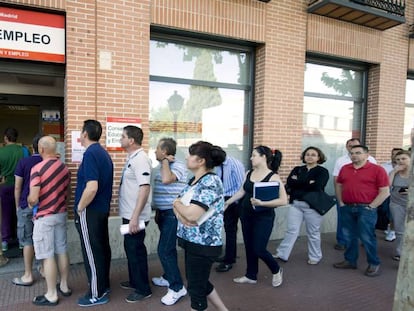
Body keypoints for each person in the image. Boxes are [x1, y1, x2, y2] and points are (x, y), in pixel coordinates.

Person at [173, 141, 228, 311]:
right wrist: (180, 210)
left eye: (190, 154)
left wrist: (179, 207)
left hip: (204, 244)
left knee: (196, 289)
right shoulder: (194, 180)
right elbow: (179, 208)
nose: (187, 157)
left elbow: (191, 214)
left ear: (201, 161)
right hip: (192, 241)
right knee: (199, 281)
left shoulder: (210, 182)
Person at [226, 146, 287, 287]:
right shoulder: (249, 173)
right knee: (249, 246)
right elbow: (241, 191)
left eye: (254, 155)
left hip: (264, 217)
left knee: (259, 248)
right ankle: (251, 275)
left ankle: (276, 269)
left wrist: (262, 203)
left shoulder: (273, 177)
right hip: (246, 215)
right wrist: (227, 203)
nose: (251, 158)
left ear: (263, 157)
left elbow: (283, 200)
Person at [27, 136, 71, 306]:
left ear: (42, 149)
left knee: (47, 256)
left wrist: (30, 201)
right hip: (60, 214)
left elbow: (34, 198)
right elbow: (67, 193)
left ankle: (51, 294)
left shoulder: (37, 168)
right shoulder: (64, 168)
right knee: (61, 250)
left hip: (45, 217)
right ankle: (65, 286)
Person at [333, 145, 389, 277]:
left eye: (358, 153)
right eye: (352, 153)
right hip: (347, 207)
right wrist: (340, 202)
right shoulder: (345, 168)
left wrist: (371, 207)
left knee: (367, 237)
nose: (354, 155)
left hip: (366, 208)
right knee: (349, 236)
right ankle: (350, 261)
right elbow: (339, 185)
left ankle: (374, 263)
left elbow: (385, 192)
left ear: (367, 154)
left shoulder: (377, 170)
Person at [74, 120, 113, 307]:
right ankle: (103, 286)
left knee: (92, 252)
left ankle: (96, 294)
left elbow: (91, 187)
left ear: (85, 134)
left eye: (81, 132)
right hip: (101, 210)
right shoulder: (103, 153)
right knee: (101, 249)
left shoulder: (90, 154)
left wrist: (80, 207)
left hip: (90, 211)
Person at [275, 146, 329, 264]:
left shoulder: (322, 171)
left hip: (313, 206)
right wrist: (307, 182)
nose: (309, 156)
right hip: (296, 204)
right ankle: (282, 254)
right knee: (291, 230)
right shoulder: (297, 169)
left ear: (319, 157)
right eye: (307, 154)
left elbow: (318, 186)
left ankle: (315, 257)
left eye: (313, 155)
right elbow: (290, 182)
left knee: (313, 232)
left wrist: (298, 182)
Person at [151, 137, 188, 305]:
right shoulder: (160, 166)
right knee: (169, 249)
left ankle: (177, 287)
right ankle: (168, 276)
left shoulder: (178, 165)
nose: (154, 151)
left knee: (164, 250)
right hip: (162, 214)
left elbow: (167, 180)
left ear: (165, 152)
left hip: (172, 215)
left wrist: (165, 161)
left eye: (157, 149)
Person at [118, 126, 152, 303]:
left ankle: (142, 289)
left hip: (135, 216)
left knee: (136, 250)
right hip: (130, 214)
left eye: (123, 137)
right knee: (131, 249)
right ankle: (134, 281)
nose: (120, 139)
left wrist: (135, 217)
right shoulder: (132, 157)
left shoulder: (141, 159)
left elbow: (144, 188)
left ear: (131, 140)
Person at [332, 138, 376, 250]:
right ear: (346, 147)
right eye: (350, 146)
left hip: (365, 199)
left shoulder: (371, 160)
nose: (352, 148)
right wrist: (339, 199)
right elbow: (337, 180)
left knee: (364, 223)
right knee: (343, 220)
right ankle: (342, 241)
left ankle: (365, 245)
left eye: (355, 146)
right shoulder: (341, 161)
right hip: (345, 197)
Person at [12, 134, 43, 286]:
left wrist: (18, 205)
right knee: (43, 239)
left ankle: (28, 274)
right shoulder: (50, 162)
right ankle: (44, 269)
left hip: (26, 205)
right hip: (44, 207)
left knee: (27, 240)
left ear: (33, 147)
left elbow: (18, 186)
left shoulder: (24, 162)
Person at [215, 155, 245, 272]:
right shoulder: (220, 165)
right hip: (225, 198)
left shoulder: (234, 164)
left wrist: (234, 201)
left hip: (235, 199)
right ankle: (229, 255)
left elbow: (242, 185)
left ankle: (229, 260)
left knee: (231, 229)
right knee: (229, 229)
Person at [0, 127, 25, 256]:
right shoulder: (24, 151)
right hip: (21, 186)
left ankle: (4, 241)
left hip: (5, 187)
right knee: (19, 212)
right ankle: (21, 240)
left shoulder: (1, 152)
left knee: (5, 213)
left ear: (5, 138)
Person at [388, 150, 410, 261]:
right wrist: (393, 172)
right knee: (399, 229)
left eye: (404, 159)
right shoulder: (395, 172)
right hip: (396, 203)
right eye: (398, 159)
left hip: (411, 203)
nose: (400, 161)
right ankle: (400, 253)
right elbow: (387, 185)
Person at [380, 148, 403, 242]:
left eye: (397, 154)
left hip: (399, 195)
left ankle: (392, 231)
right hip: (386, 193)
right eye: (393, 154)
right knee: (385, 211)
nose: (394, 156)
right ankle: (387, 226)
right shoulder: (384, 166)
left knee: (394, 214)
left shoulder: (407, 167)